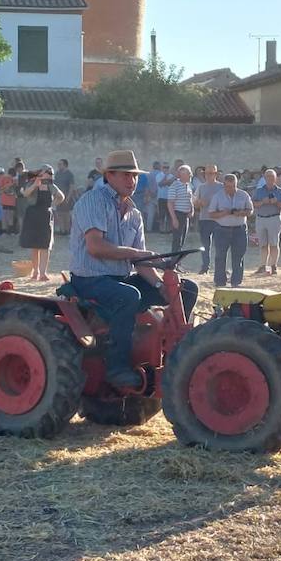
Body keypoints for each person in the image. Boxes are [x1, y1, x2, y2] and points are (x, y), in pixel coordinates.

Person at [68, 149, 199, 389]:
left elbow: (141, 263)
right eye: (126, 175)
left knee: (186, 289)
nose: (132, 181)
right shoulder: (93, 201)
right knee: (128, 295)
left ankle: (175, 357)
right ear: (109, 175)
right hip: (89, 280)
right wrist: (138, 254)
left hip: (119, 278)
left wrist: (162, 285)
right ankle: (117, 368)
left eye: (135, 176)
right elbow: (96, 247)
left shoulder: (134, 214)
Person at [19, 165, 65, 281]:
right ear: (41, 173)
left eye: (50, 172)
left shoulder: (51, 186)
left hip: (45, 215)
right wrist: (36, 184)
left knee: (45, 245)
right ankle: (35, 271)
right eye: (48, 172)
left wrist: (53, 204)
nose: (50, 174)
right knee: (35, 246)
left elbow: (61, 196)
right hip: (32, 216)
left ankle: (43, 273)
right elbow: (25, 194)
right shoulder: (31, 183)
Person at [208, 173, 254, 287]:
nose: (230, 189)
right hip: (221, 229)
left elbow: (250, 211)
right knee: (220, 256)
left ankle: (236, 282)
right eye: (228, 186)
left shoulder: (244, 195)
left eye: (233, 186)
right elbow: (211, 214)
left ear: (236, 184)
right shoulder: (217, 196)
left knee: (238, 257)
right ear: (224, 185)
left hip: (240, 230)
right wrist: (224, 213)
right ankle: (220, 281)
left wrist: (240, 213)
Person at [251, 169, 281, 276]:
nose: (270, 179)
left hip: (274, 218)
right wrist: (263, 202)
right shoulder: (259, 191)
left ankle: (273, 266)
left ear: (275, 178)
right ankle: (263, 266)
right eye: (268, 177)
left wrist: (277, 202)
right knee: (263, 244)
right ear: (265, 178)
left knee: (274, 243)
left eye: (272, 177)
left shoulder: (280, 192)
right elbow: (252, 204)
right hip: (261, 218)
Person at [192, 165, 223, 274]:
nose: (208, 175)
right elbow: (194, 202)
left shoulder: (221, 187)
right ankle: (205, 267)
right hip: (204, 219)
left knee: (220, 245)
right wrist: (199, 202)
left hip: (218, 220)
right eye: (206, 173)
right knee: (205, 245)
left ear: (215, 174)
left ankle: (220, 267)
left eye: (211, 173)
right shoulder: (201, 187)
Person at [167, 165, 195, 252]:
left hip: (185, 216)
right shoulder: (175, 186)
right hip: (178, 214)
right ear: (181, 175)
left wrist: (192, 210)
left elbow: (190, 199)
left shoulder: (188, 186)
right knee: (177, 240)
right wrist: (174, 219)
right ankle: (174, 261)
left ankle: (178, 260)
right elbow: (170, 203)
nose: (191, 175)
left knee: (182, 240)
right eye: (188, 173)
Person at [55, 159, 75, 235]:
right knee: (59, 214)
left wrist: (68, 198)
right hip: (58, 198)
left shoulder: (69, 174)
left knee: (66, 214)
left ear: (65, 165)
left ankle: (67, 230)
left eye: (60, 164)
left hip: (66, 197)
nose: (59, 166)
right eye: (58, 164)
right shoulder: (57, 174)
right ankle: (62, 230)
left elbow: (71, 187)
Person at [0, 165, 18, 235]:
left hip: (12, 199)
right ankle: (4, 231)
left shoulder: (15, 179)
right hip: (5, 199)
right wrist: (9, 185)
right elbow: (0, 189)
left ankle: (10, 230)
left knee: (10, 215)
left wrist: (14, 184)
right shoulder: (3, 178)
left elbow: (16, 189)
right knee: (5, 214)